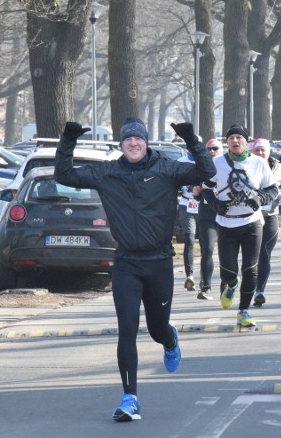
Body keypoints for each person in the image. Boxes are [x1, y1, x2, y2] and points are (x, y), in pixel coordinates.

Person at [54, 118, 215, 423]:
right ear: (121, 144)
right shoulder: (107, 172)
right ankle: (130, 398)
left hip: (160, 262)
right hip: (126, 262)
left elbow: (207, 171)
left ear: (146, 142)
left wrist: (191, 138)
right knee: (127, 330)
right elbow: (64, 175)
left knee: (156, 329)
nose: (133, 144)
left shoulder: (166, 168)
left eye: (137, 139)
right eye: (127, 140)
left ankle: (170, 339)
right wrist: (68, 139)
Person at [206, 125, 278, 328]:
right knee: (229, 270)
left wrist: (262, 198)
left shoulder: (258, 163)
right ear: (226, 142)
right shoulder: (217, 163)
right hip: (226, 224)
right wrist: (216, 204)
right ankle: (231, 285)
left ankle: (243, 311)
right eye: (231, 138)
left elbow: (273, 189)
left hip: (252, 223)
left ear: (247, 142)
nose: (235, 141)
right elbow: (204, 188)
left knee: (250, 269)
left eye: (239, 138)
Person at [251, 139, 281, 307]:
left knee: (264, 254)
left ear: (269, 152)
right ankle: (240, 284)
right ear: (253, 151)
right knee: (250, 257)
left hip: (270, 216)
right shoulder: (247, 165)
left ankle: (259, 290)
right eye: (258, 150)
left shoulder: (279, 167)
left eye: (263, 150)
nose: (261, 153)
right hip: (250, 217)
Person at [195, 138, 223, 300]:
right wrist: (196, 193)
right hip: (207, 216)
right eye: (209, 149)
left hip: (226, 215)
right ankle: (206, 287)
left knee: (226, 253)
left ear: (221, 150)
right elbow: (196, 191)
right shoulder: (202, 170)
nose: (212, 152)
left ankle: (228, 281)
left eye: (215, 148)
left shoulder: (227, 167)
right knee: (208, 250)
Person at [177, 149, 201, 292]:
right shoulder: (181, 162)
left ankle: (205, 277)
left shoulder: (206, 161)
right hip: (186, 205)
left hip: (203, 205)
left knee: (205, 242)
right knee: (190, 239)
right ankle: (190, 275)